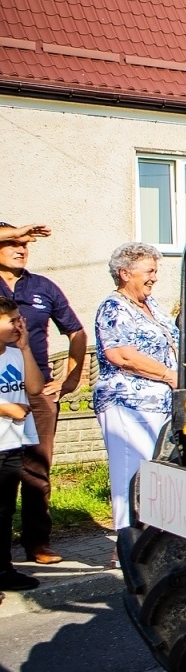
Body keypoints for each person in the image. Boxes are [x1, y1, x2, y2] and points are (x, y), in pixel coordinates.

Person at [0, 222, 86, 566]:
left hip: (36, 391)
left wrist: (70, 379)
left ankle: (37, 543)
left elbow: (76, 331)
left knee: (36, 469)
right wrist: (19, 228)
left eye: (26, 244)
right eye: (14, 243)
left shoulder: (43, 287)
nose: (23, 248)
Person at [94, 243, 178, 544]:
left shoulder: (150, 305)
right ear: (124, 273)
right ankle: (127, 548)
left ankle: (151, 543)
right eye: (149, 271)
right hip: (128, 404)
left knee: (155, 476)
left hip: (159, 404)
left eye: (156, 270)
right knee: (131, 476)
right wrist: (168, 374)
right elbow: (121, 355)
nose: (154, 277)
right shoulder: (114, 307)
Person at [0, 298, 45, 591]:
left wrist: (26, 348)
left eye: (20, 319)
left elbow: (36, 388)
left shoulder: (15, 354)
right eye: (11, 321)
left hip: (13, 443)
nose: (19, 325)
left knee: (4, 512)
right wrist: (6, 408)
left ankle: (4, 571)